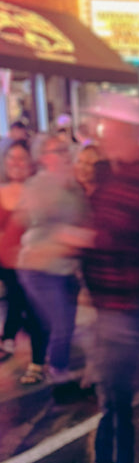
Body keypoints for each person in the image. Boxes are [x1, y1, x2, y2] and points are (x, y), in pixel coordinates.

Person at [63, 94, 139, 463]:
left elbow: (114, 235)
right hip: (125, 301)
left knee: (116, 388)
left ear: (126, 132)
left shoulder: (130, 178)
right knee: (119, 389)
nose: (101, 134)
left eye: (107, 127)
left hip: (122, 303)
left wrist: (74, 238)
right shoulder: (126, 173)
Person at [16, 133, 92, 395]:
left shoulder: (72, 185)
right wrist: (71, 235)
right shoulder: (39, 185)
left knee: (67, 324)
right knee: (60, 323)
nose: (63, 154)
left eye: (64, 150)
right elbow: (38, 219)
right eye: (56, 150)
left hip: (66, 267)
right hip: (41, 269)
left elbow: (83, 219)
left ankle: (57, 370)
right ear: (44, 158)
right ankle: (59, 379)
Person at [0, 141, 49, 381]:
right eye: (11, 158)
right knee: (16, 303)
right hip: (6, 265)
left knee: (34, 312)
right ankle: (9, 339)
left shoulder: (38, 192)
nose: (16, 164)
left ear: (30, 164)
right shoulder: (1, 190)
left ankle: (37, 363)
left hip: (32, 264)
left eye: (21, 159)